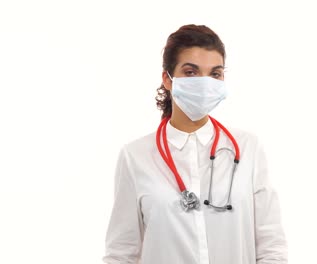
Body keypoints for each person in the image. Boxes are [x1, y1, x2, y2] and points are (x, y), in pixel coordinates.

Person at [102, 24, 288, 264]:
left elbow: (271, 246)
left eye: (215, 74)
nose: (204, 83)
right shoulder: (136, 156)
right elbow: (121, 253)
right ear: (167, 80)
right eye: (190, 72)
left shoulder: (247, 148)